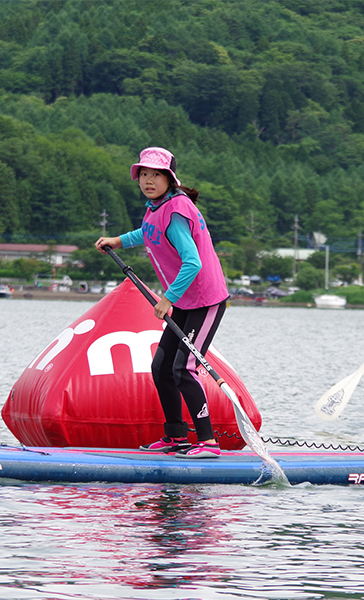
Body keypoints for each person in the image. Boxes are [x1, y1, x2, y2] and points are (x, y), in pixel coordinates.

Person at [94, 147, 230, 458]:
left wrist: (167, 298)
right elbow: (149, 233)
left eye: (156, 174)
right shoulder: (156, 209)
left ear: (169, 179)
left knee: (184, 367)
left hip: (205, 301)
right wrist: (118, 240)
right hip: (185, 301)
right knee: (162, 367)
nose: (148, 180)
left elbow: (192, 262)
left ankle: (208, 442)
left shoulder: (178, 209)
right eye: (143, 174)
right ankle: (176, 437)